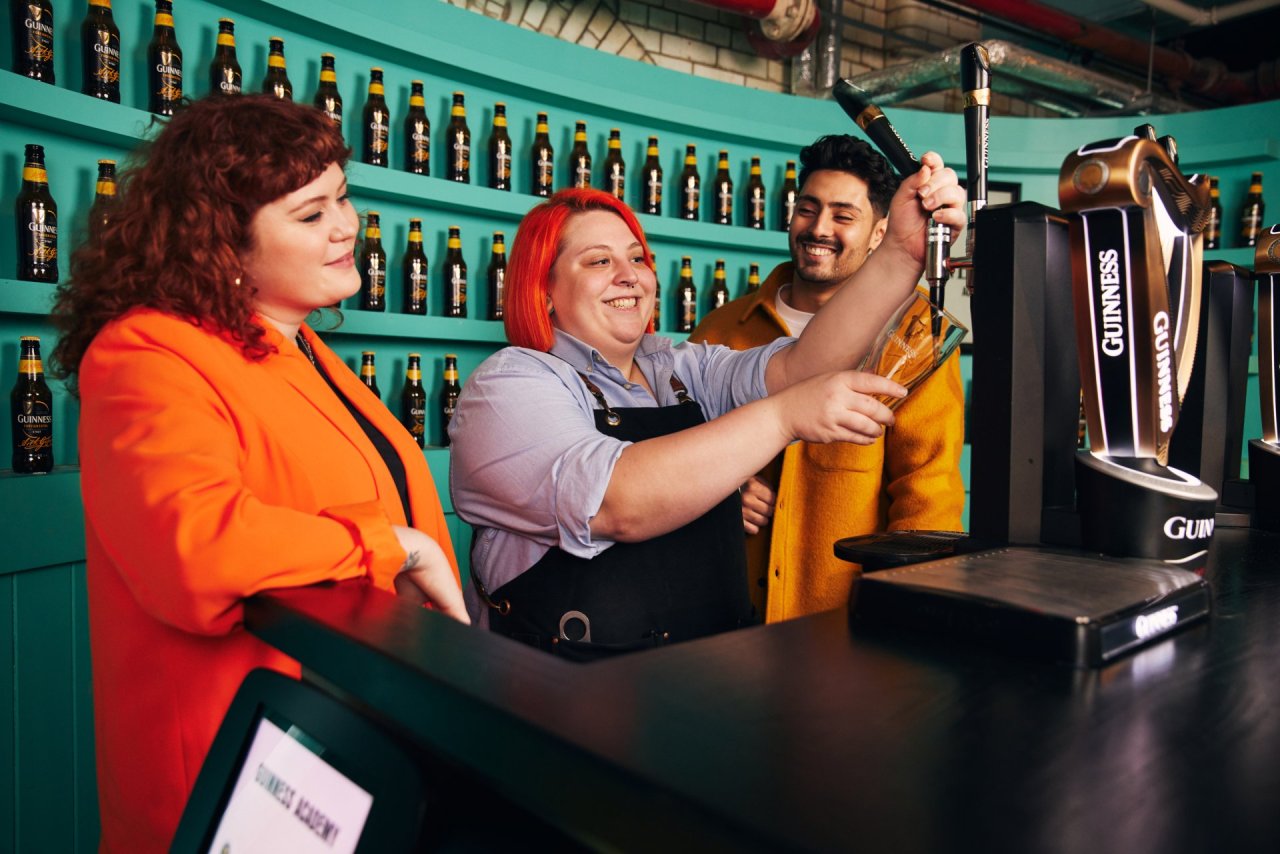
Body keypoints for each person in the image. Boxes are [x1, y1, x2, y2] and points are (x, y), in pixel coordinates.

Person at [49, 95, 468, 852]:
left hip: (346, 760)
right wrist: (393, 546)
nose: (347, 227)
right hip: (238, 785)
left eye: (342, 198)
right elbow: (196, 547)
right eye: (310, 215)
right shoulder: (146, 351)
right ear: (224, 243)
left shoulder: (304, 349)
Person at [449, 153, 964, 661]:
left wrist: (900, 252)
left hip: (707, 685)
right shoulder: (508, 385)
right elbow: (613, 502)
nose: (630, 275)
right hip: (570, 701)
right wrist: (784, 416)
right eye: (600, 261)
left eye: (637, 258)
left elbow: (802, 368)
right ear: (543, 293)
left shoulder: (680, 369)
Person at [690, 135, 965, 623]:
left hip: (844, 630)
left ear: (881, 232)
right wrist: (716, 496)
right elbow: (673, 457)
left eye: (843, 216)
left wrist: (901, 618)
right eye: (807, 209)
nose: (818, 229)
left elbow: (928, 497)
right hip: (721, 623)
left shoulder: (916, 337)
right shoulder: (719, 330)